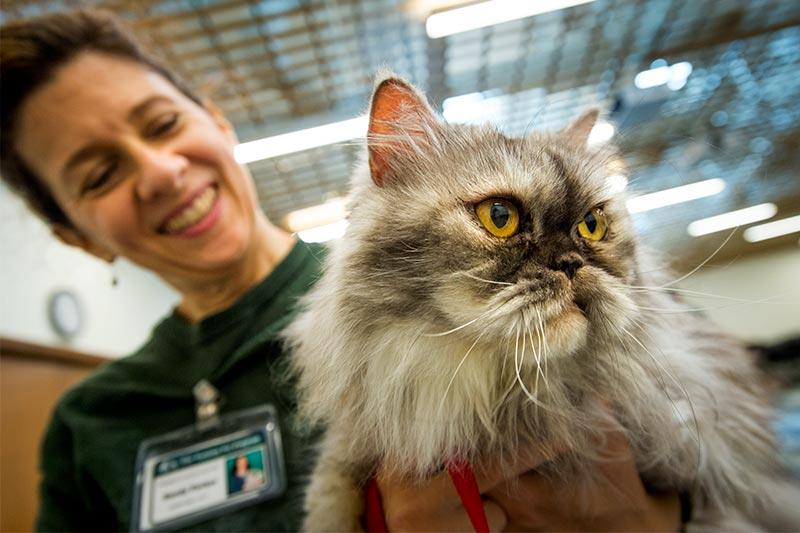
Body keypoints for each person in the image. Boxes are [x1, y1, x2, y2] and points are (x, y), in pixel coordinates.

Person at [0, 9, 681, 532]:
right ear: (77, 237)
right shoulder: (91, 422)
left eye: (160, 124)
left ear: (215, 119)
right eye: (100, 174)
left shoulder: (515, 297)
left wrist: (644, 520)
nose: (161, 172)